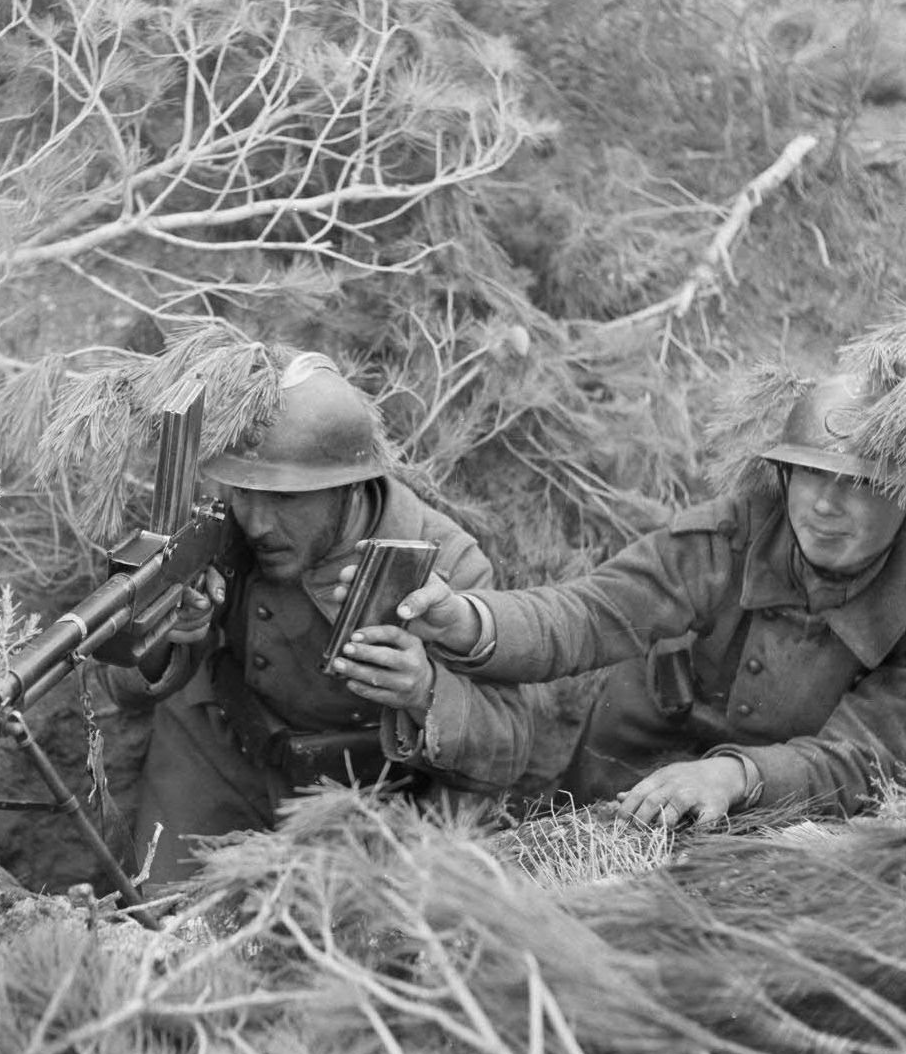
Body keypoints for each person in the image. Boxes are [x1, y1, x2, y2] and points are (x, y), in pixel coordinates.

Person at [331, 368, 906, 829]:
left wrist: (738, 776)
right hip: (634, 762)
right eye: (811, 474)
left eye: (859, 483)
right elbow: (586, 615)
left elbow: (866, 758)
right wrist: (464, 620)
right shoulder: (732, 536)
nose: (825, 505)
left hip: (791, 807)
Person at [104, 343, 535, 884]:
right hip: (219, 757)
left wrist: (424, 690)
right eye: (243, 492)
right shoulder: (216, 527)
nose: (256, 522)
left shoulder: (443, 564)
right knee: (160, 916)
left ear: (349, 487)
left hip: (363, 795)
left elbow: (510, 746)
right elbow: (123, 689)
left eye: (285, 499)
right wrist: (171, 631)